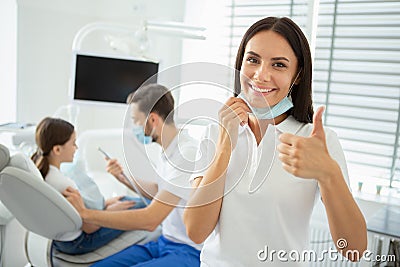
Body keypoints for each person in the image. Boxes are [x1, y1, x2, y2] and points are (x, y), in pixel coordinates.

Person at [183, 17, 367, 266]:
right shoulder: (214, 132)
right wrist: (225, 145)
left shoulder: (315, 141)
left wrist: (329, 174)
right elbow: (196, 231)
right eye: (253, 60)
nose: (261, 75)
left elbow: (354, 250)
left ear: (298, 75)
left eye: (278, 65)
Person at [63, 83, 202, 267]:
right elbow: (160, 191)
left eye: (136, 121)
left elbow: (151, 219)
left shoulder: (187, 154)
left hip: (188, 251)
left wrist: (85, 213)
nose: (135, 127)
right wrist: (123, 178)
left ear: (152, 120)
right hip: (164, 242)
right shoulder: (167, 150)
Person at [31, 117, 145, 255]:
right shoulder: (64, 184)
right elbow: (90, 227)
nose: (76, 148)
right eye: (73, 143)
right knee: (141, 207)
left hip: (59, 242)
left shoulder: (44, 174)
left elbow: (78, 210)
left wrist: (107, 204)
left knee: (125, 200)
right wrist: (110, 212)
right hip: (80, 242)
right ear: (57, 149)